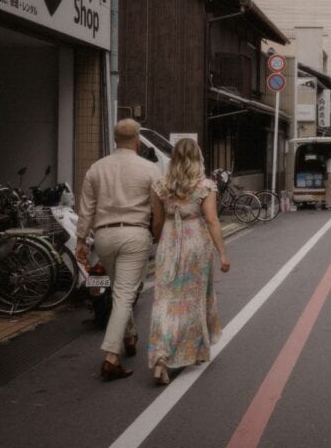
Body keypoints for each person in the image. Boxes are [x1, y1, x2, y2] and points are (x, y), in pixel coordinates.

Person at [75, 118, 161, 382]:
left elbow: (86, 207)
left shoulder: (96, 169)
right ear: (137, 141)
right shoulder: (150, 169)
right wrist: (160, 236)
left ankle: (130, 336)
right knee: (125, 294)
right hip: (135, 233)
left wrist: (80, 240)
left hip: (104, 236)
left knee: (118, 290)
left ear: (114, 140)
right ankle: (111, 357)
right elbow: (158, 211)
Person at [147, 138, 230, 385]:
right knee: (192, 302)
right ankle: (192, 351)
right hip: (196, 244)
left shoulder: (161, 185)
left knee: (165, 301)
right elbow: (212, 221)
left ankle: (160, 357)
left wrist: (162, 245)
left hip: (169, 242)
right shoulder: (205, 186)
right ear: (197, 158)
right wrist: (223, 253)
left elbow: (158, 223)